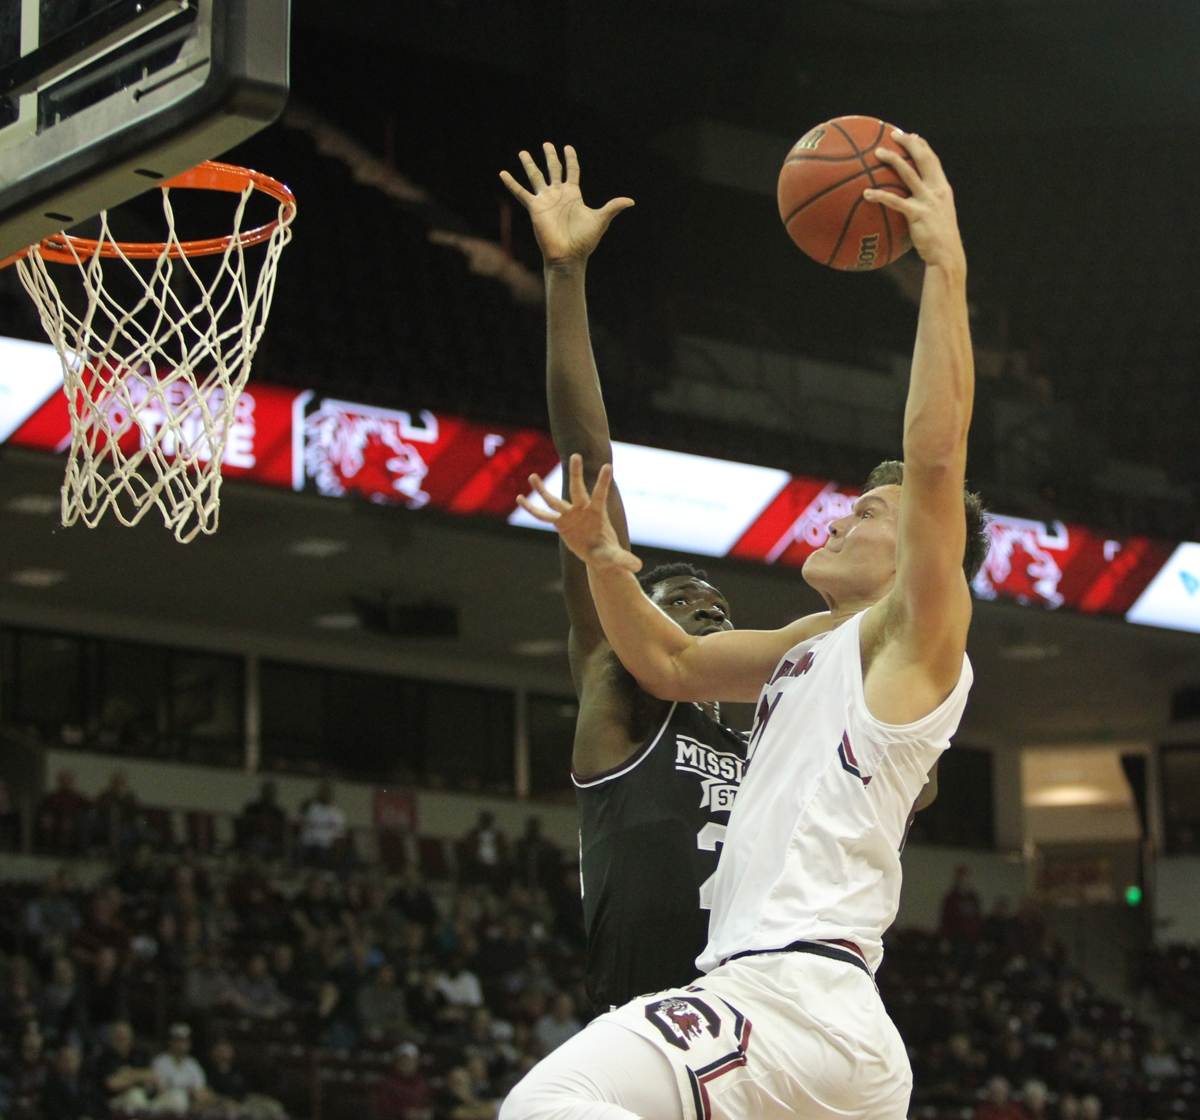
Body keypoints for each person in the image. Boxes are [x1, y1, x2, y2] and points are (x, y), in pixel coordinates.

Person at [506, 129, 984, 1120]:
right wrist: (604, 560)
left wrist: (944, 266)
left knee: (549, 1103)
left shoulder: (914, 633)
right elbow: (670, 659)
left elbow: (937, 459)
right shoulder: (802, 656)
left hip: (782, 999)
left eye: (870, 512)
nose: (842, 515)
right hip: (774, 1017)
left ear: (920, 556)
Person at [501, 143, 750, 1011]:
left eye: (718, 607)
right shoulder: (619, 686)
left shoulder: (762, 746)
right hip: (643, 1024)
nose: (709, 612)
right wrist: (565, 275)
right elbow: (587, 451)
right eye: (682, 602)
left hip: (756, 1028)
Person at [374, 1042, 434, 1120]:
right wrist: (403, 1113)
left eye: (411, 1062)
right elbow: (383, 1107)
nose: (408, 1065)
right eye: (404, 1061)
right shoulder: (388, 1082)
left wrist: (423, 1113)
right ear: (397, 1062)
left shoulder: (422, 1082)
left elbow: (428, 1105)